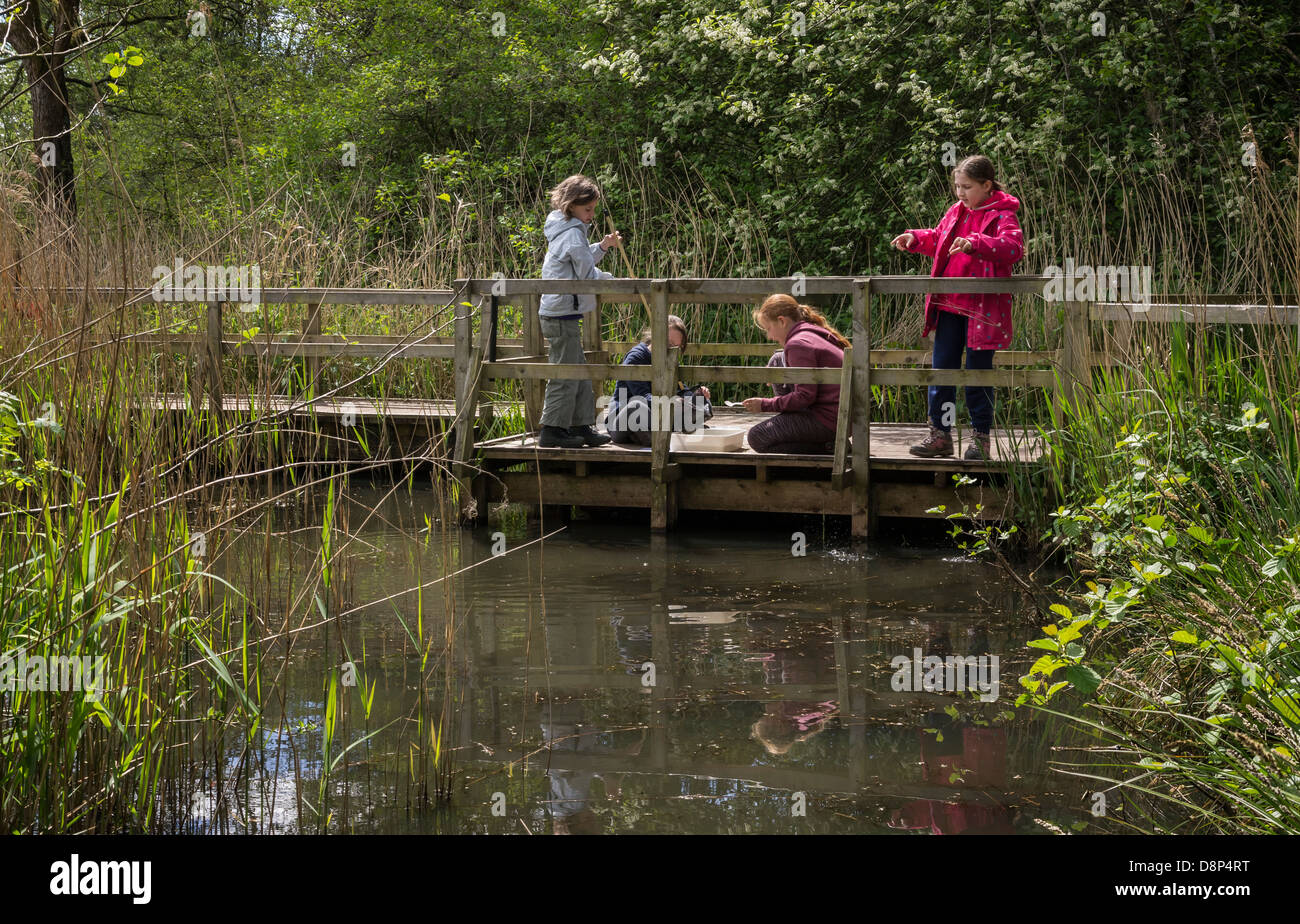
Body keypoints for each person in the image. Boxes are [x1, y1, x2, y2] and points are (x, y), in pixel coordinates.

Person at [891, 154, 1024, 460]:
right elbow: (939, 238)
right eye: (957, 186)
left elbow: (1013, 249)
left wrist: (975, 243)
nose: (960, 193)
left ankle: (980, 439)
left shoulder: (1003, 215)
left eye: (966, 187)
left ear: (987, 185)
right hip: (949, 304)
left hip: (982, 309)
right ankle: (941, 434)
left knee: (978, 374)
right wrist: (916, 238)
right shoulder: (956, 211)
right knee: (943, 372)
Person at [537, 175, 623, 448]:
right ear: (572, 205)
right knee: (565, 374)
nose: (591, 215)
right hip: (560, 313)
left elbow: (582, 259)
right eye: (588, 210)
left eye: (593, 209)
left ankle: (580, 425)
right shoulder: (572, 233)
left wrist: (602, 246)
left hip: (562, 312)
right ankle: (552, 430)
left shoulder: (567, 228)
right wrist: (609, 279)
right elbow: (586, 274)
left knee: (580, 371)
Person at [738, 294, 847, 454]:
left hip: (829, 422)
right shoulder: (811, 333)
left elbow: (805, 396)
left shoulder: (798, 343)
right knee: (777, 358)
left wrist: (764, 404)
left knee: (757, 436)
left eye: (768, 328)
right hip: (840, 418)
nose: (770, 336)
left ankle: (828, 447)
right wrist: (777, 360)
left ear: (782, 321)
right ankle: (803, 430)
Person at [604, 314, 712, 446]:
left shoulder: (669, 359)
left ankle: (663, 431)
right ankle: (667, 433)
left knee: (702, 402)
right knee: (637, 407)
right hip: (624, 421)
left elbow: (682, 389)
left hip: (657, 416)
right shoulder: (636, 357)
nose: (671, 350)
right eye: (668, 343)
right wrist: (671, 402)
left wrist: (695, 396)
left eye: (676, 347)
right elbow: (642, 396)